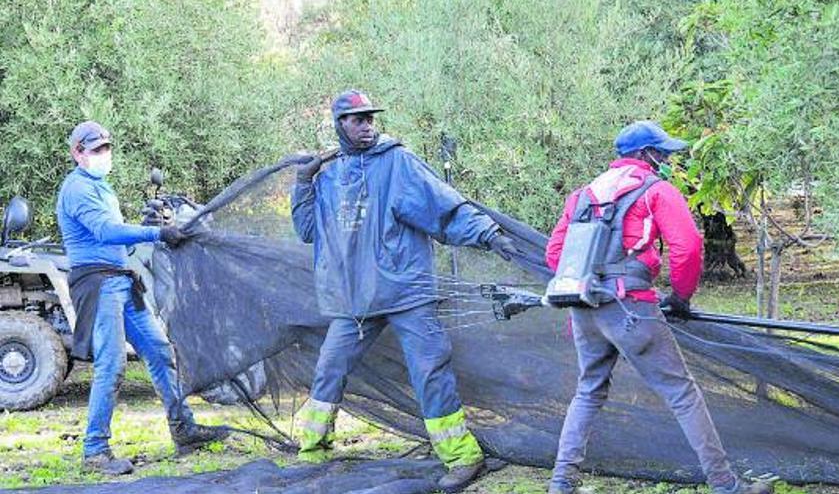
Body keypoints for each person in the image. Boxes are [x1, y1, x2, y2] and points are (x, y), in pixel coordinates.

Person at [290, 90, 518, 492]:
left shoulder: (397, 163)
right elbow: (308, 230)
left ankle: (463, 457)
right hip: (355, 300)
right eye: (357, 119)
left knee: (430, 370)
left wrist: (488, 233)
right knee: (329, 369)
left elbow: (443, 208)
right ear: (339, 124)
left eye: (370, 119)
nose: (367, 126)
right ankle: (313, 448)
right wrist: (302, 182)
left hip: (407, 293)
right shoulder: (329, 176)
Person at [544, 121, 773, 494]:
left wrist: (593, 286)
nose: (667, 159)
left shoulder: (582, 196)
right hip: (633, 310)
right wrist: (680, 298)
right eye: (662, 152)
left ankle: (561, 484)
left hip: (585, 310)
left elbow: (555, 254)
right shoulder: (657, 191)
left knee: (587, 392)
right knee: (682, 394)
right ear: (644, 155)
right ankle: (726, 485)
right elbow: (688, 247)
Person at [56, 121, 229, 475]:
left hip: (121, 281)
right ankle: (95, 450)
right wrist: (158, 231)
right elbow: (105, 232)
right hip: (99, 284)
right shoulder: (77, 188)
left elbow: (119, 240)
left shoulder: (101, 188)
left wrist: (143, 225)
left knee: (158, 351)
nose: (104, 155)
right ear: (77, 153)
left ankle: (184, 429)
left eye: (106, 148)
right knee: (112, 364)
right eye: (95, 150)